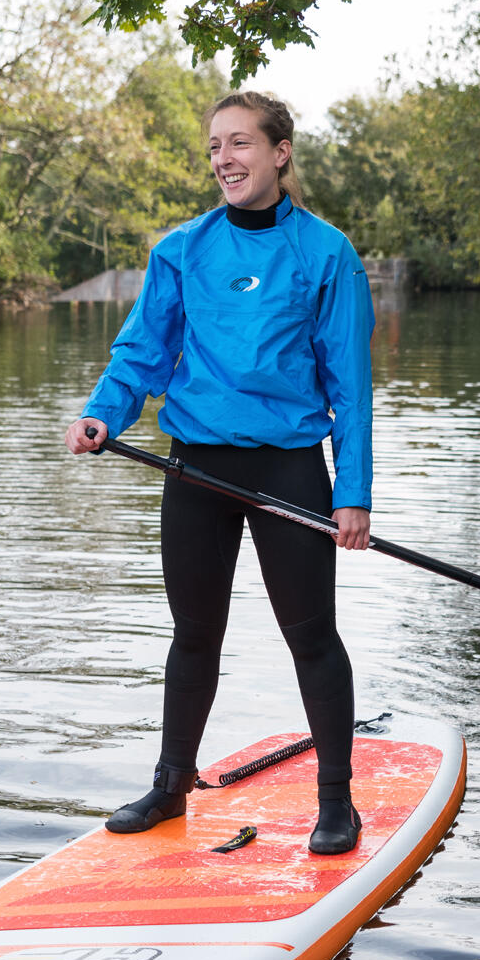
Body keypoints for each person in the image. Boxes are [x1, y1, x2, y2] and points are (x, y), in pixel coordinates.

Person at [65, 90, 374, 855]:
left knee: (312, 636)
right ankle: (172, 786)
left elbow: (351, 387)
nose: (224, 160)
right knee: (193, 634)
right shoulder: (181, 250)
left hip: (289, 466)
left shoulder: (327, 254)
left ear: (280, 152)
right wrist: (106, 411)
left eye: (240, 144)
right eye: (214, 148)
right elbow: (141, 352)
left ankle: (335, 800)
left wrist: (353, 494)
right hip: (198, 465)